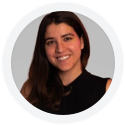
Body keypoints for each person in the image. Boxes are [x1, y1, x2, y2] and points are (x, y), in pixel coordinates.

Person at [21, 11, 112, 115]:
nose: (60, 49)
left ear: (81, 42)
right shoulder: (31, 89)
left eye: (67, 38)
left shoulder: (106, 89)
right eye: (51, 42)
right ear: (43, 48)